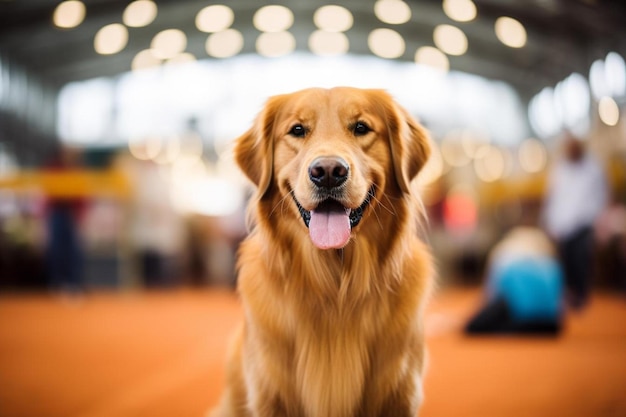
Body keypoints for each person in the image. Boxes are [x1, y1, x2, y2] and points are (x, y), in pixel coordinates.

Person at [542, 133, 608, 309]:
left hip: (583, 223)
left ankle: (581, 296)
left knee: (581, 260)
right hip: (562, 226)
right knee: (566, 262)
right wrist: (550, 222)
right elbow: (553, 199)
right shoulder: (560, 170)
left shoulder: (594, 168)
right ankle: (569, 295)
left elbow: (601, 196)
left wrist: (598, 220)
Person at [465, 227, 564, 335]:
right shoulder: (550, 261)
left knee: (474, 327)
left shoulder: (503, 256)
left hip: (523, 320)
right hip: (552, 325)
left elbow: (491, 294)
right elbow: (560, 302)